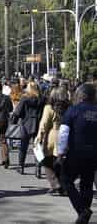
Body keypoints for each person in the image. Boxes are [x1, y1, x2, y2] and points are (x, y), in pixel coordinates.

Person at [58, 84, 97, 224]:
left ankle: (82, 210)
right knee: (87, 184)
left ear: (81, 95)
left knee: (65, 179)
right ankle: (83, 216)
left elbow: (63, 132)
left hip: (76, 153)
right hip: (93, 155)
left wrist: (60, 153)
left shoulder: (73, 110)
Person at [34, 87, 70, 196]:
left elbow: (44, 124)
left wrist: (39, 136)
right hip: (66, 135)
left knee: (47, 162)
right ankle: (61, 186)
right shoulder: (69, 107)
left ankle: (55, 184)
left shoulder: (49, 108)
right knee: (60, 163)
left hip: (52, 136)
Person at [11, 82, 45, 174]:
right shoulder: (42, 99)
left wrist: (13, 121)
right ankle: (38, 169)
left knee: (23, 147)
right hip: (38, 124)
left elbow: (17, 112)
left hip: (26, 124)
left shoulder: (25, 98)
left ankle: (21, 167)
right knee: (37, 147)